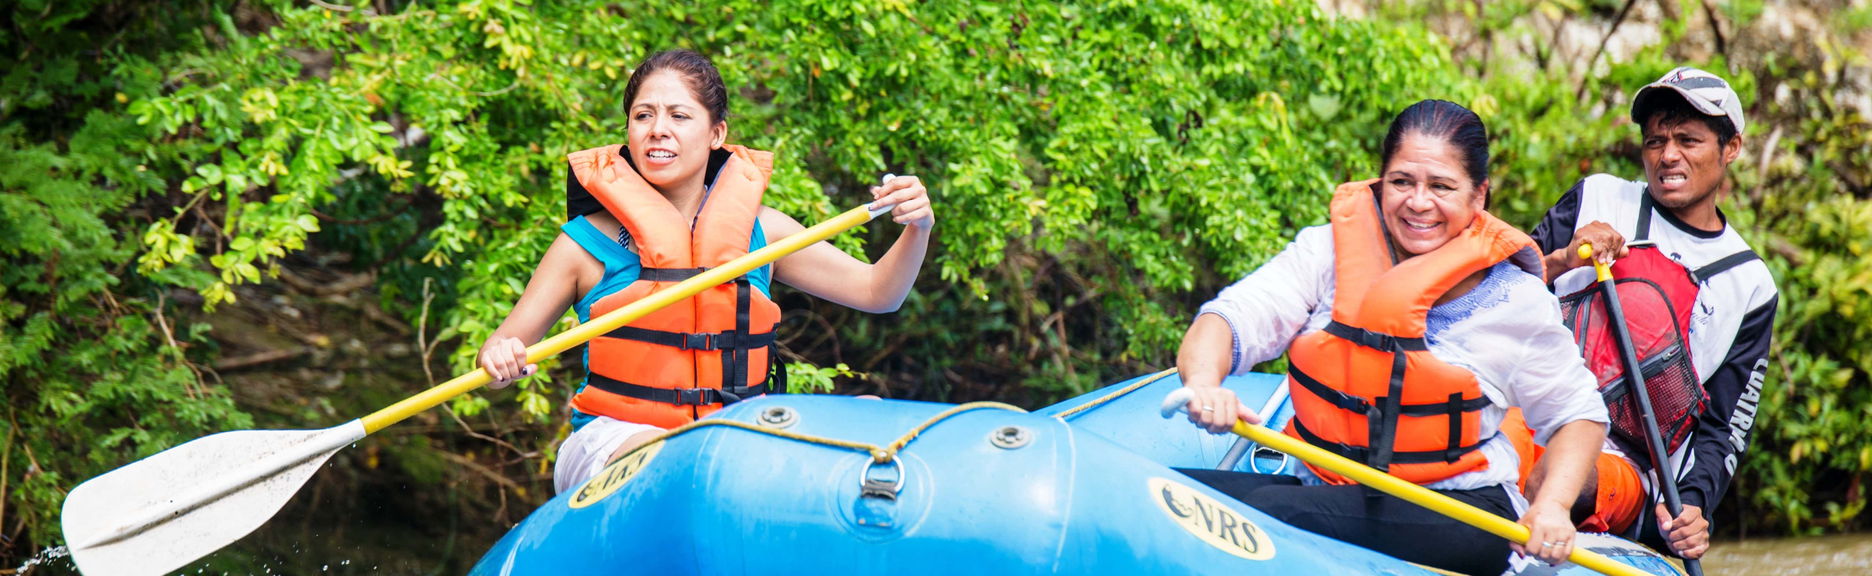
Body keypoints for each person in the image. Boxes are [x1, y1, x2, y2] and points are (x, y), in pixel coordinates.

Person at [1174, 100, 1609, 575]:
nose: (1418, 202)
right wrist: (1203, 383)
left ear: (1479, 195)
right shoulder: (1327, 253)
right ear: (1381, 181)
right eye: (1402, 182)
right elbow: (1230, 319)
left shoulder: (1513, 300)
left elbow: (1577, 416)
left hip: (1462, 510)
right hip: (1333, 487)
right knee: (1171, 493)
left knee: (1272, 516)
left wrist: (1553, 506)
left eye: (1442, 186)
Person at [476, 50, 935, 494]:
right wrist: (500, 359)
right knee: (683, 457)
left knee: (869, 414)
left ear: (716, 134)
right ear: (628, 131)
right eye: (643, 116)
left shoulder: (764, 233)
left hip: (737, 432)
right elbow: (498, 353)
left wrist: (918, 227)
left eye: (679, 116)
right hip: (617, 439)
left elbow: (879, 292)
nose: (658, 131)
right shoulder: (582, 245)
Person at [1524, 66, 1778, 560]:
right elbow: (1497, 294)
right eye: (1656, 140)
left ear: (1731, 149)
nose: (1668, 156)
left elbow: (1723, 429)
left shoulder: (1751, 285)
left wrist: (1694, 507)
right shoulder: (1595, 197)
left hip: (1625, 466)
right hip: (1530, 410)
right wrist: (1561, 258)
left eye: (1689, 139)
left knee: (1554, 478)